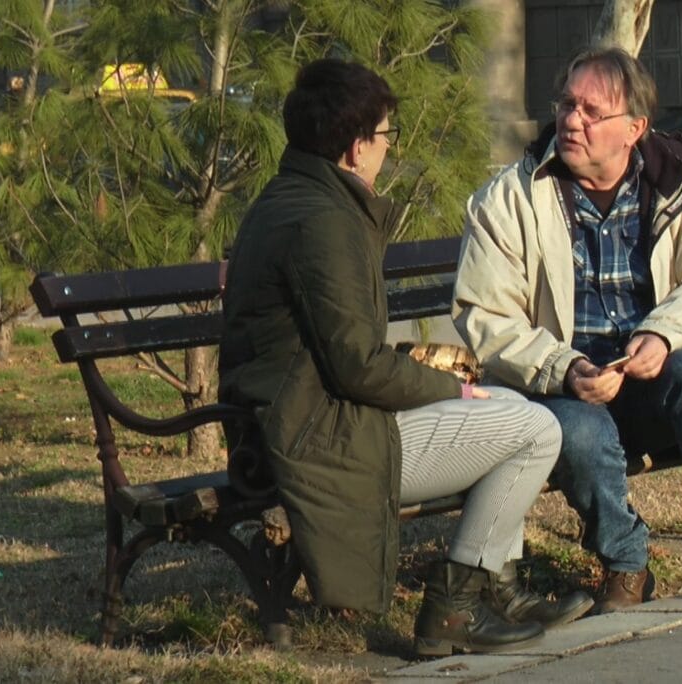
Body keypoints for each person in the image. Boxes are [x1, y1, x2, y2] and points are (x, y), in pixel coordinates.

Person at [218, 58, 593, 656]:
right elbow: (357, 366)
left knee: (508, 408)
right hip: (317, 444)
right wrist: (453, 390)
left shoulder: (293, 197)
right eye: (386, 136)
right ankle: (457, 607)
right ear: (355, 147)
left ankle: (495, 590)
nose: (389, 150)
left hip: (297, 425)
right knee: (534, 428)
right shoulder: (324, 221)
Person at [453, 46, 682, 614]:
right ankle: (627, 563)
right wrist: (563, 367)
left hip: (655, 378)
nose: (572, 120)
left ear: (634, 128)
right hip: (563, 383)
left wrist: (663, 335)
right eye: (566, 105)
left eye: (591, 111)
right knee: (575, 433)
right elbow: (484, 317)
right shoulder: (512, 198)